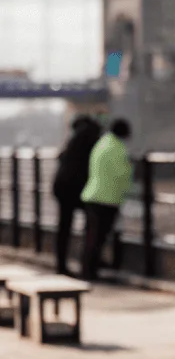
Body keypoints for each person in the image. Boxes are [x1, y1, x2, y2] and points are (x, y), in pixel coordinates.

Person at [80, 118, 133, 282]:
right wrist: (131, 169)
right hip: (106, 199)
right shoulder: (117, 148)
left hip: (92, 195)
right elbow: (122, 173)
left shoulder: (102, 143)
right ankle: (90, 272)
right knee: (98, 237)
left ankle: (87, 269)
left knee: (91, 236)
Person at [52, 114, 102, 275]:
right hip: (76, 189)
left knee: (64, 227)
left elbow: (61, 157)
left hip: (62, 187)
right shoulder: (91, 138)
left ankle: (61, 265)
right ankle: (89, 262)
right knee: (93, 223)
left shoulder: (73, 140)